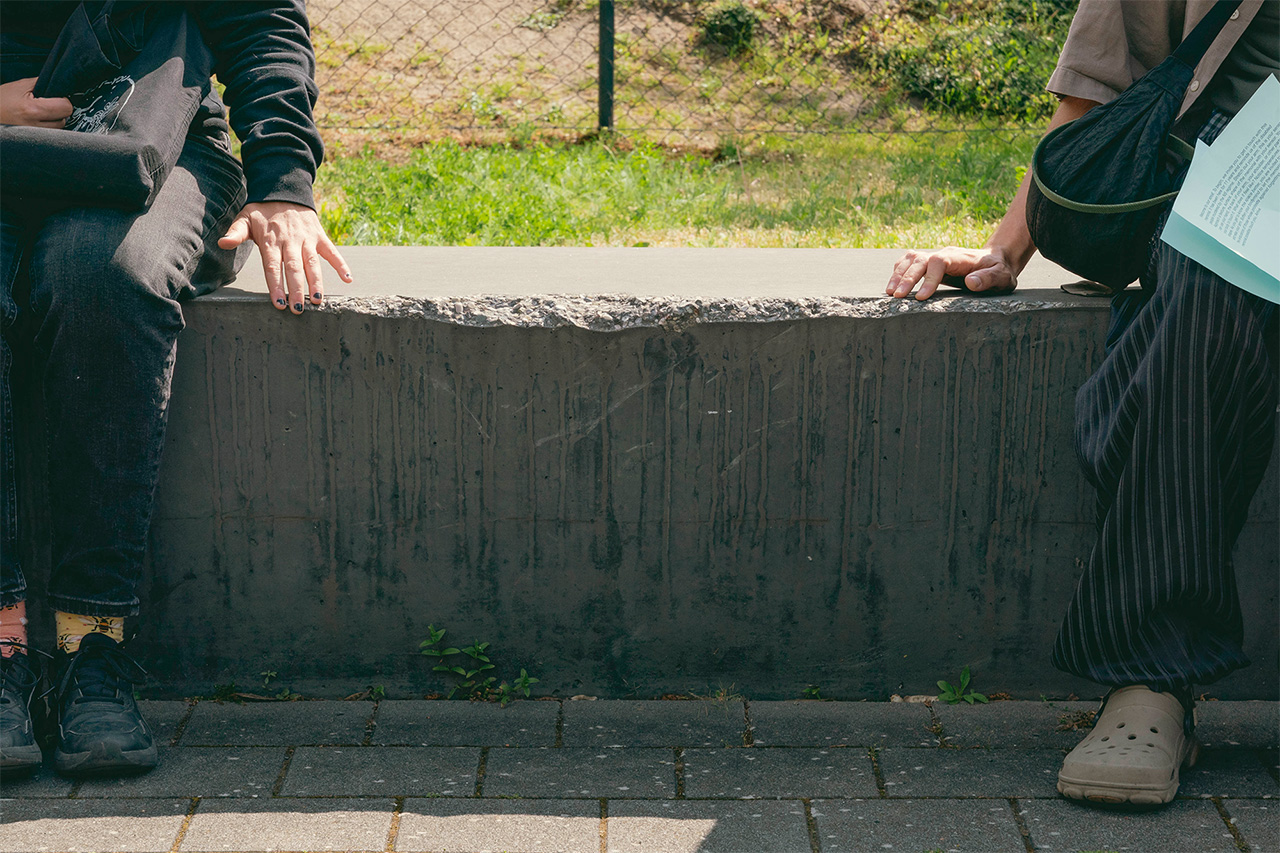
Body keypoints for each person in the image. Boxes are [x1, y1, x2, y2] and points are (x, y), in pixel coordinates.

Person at [887, 0, 1278, 806]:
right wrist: (1005, 245)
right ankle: (1150, 676)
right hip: (1226, 202)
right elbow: (1096, 98)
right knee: (1198, 300)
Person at [0, 1, 351, 777]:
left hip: (148, 143)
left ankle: (95, 646)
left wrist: (285, 182)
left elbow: (261, 21)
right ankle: (2, 640)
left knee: (104, 275)